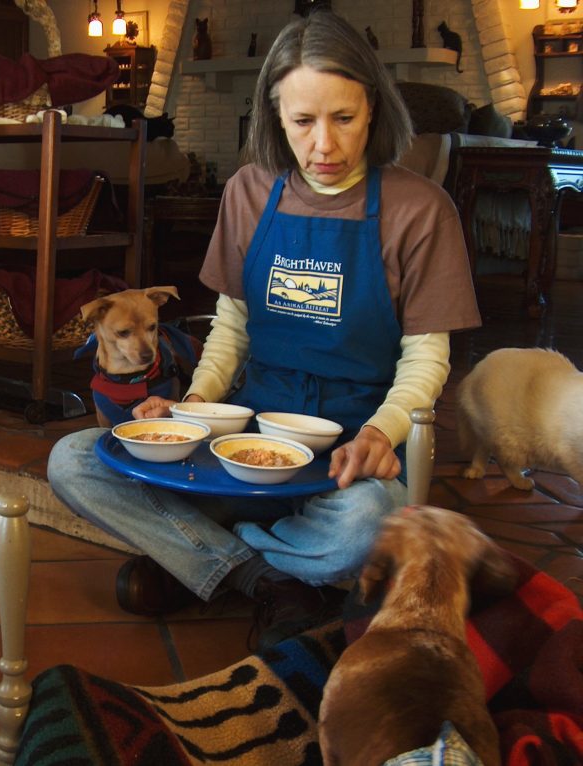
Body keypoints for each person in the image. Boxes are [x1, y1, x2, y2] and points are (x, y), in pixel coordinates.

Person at [47, 9, 481, 651]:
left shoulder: (420, 209)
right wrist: (193, 408)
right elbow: (231, 328)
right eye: (303, 121)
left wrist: (379, 435)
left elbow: (425, 360)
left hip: (347, 448)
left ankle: (198, 561)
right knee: (75, 460)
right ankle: (268, 578)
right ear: (275, 116)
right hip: (245, 432)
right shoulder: (250, 191)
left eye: (345, 119)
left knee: (367, 523)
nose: (324, 146)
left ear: (375, 111)